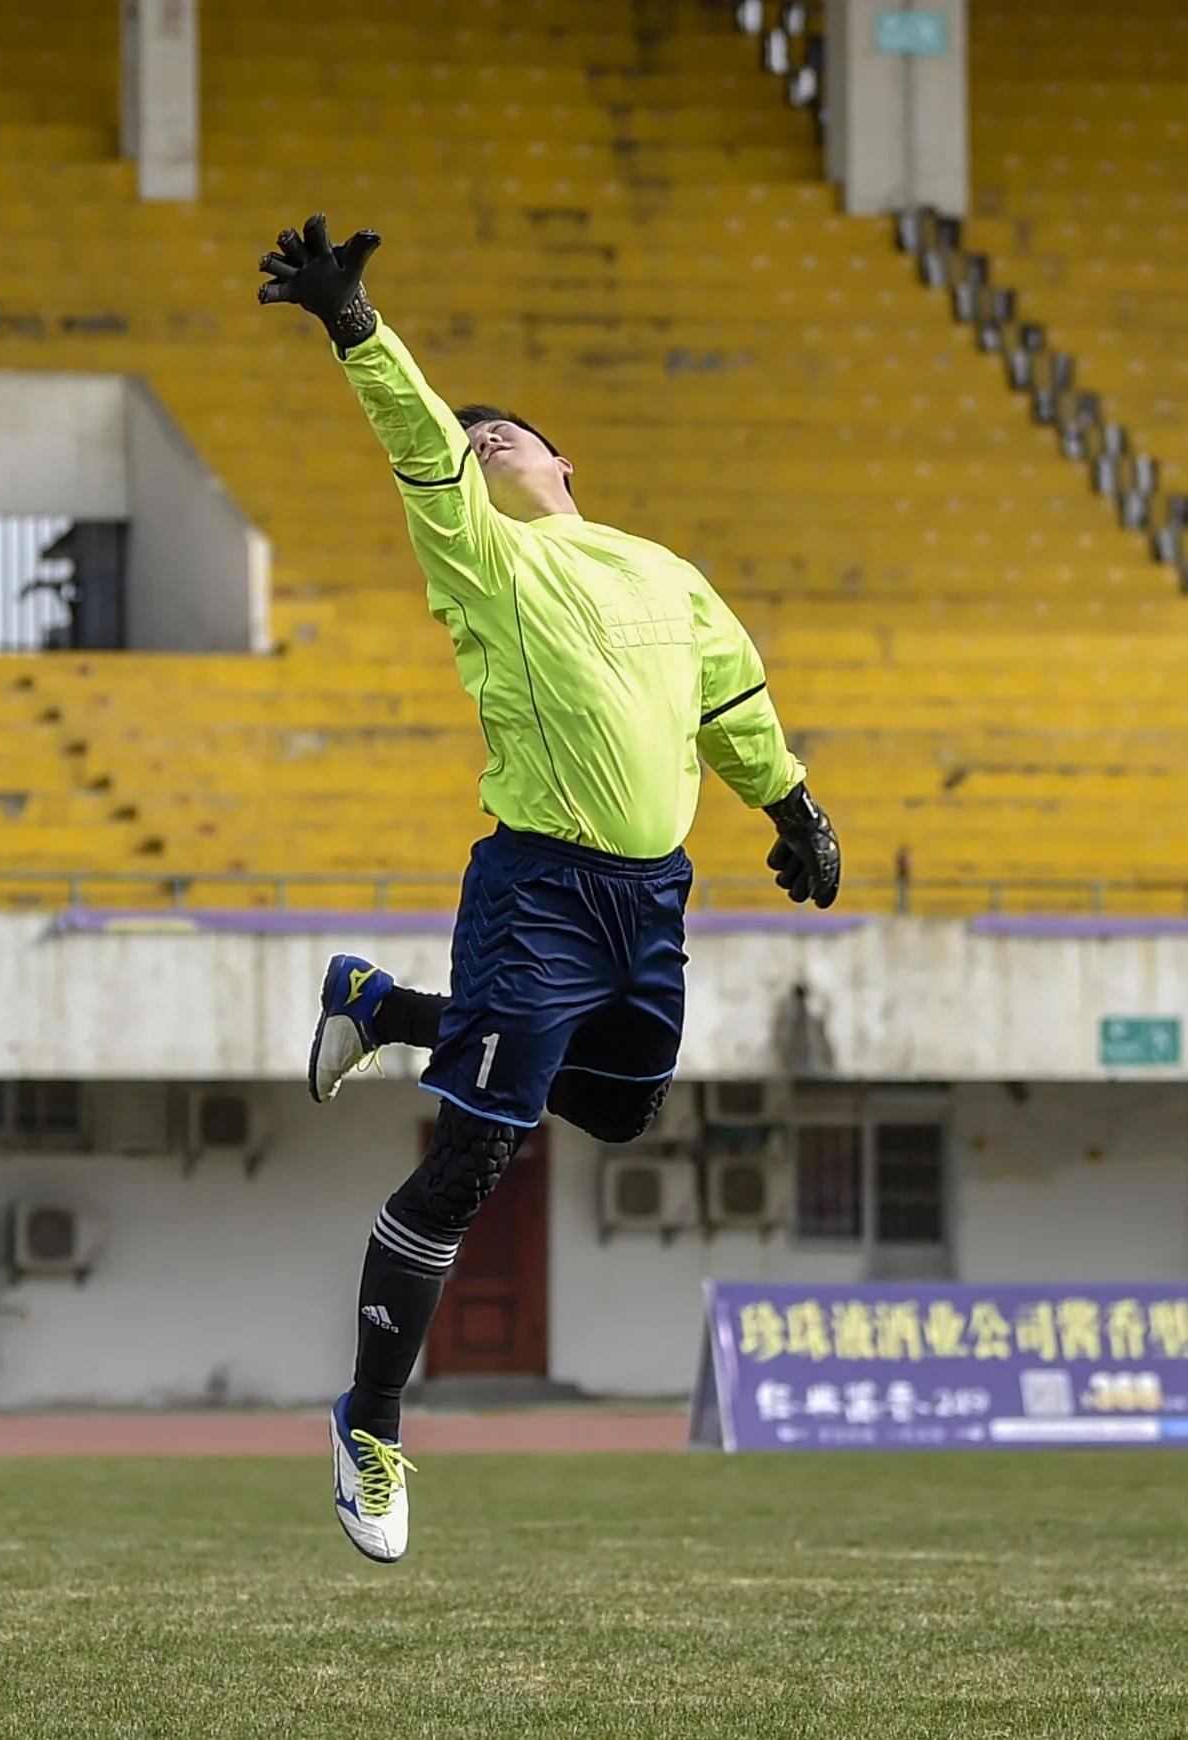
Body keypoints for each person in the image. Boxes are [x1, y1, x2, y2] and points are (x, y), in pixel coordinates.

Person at [258, 215, 841, 1564]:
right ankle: (371, 1423)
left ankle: (381, 1005)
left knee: (627, 1114)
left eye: (503, 436)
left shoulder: (664, 573)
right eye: (471, 453)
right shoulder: (487, 561)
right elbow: (416, 439)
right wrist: (356, 324)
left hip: (652, 901)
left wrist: (793, 804)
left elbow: (732, 699)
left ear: (564, 460)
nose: (481, 451)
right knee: (475, 1155)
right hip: (537, 888)